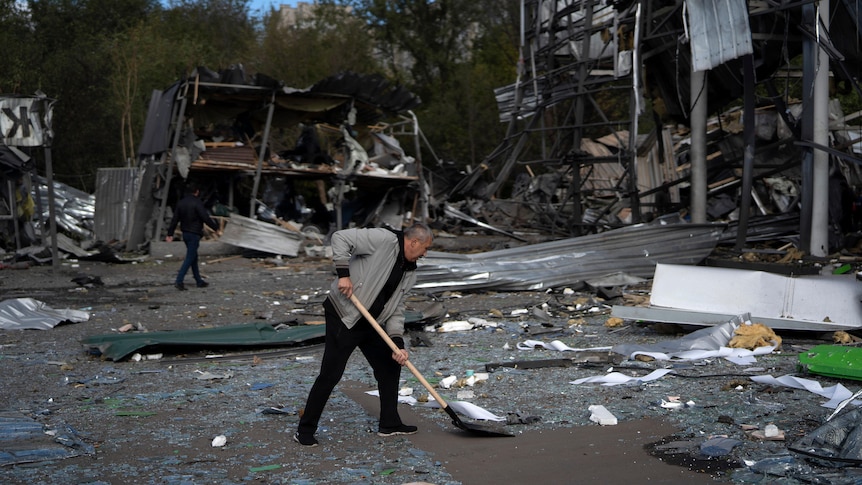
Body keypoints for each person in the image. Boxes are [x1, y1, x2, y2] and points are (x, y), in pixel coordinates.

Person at [295, 223, 434, 447]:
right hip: (345, 315)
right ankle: (305, 429)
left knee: (390, 366)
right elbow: (339, 237)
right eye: (425, 248)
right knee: (331, 373)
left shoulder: (410, 271)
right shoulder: (383, 240)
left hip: (373, 323)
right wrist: (343, 274)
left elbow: (397, 308)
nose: (425, 253)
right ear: (414, 242)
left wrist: (397, 342)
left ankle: (390, 423)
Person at [165, 183, 220, 291]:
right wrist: (215, 228)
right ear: (197, 192)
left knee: (193, 256)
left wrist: (170, 234)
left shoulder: (181, 203)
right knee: (190, 257)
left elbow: (174, 219)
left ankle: (199, 280)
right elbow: (205, 217)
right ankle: (179, 280)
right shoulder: (197, 203)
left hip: (185, 233)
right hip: (195, 233)